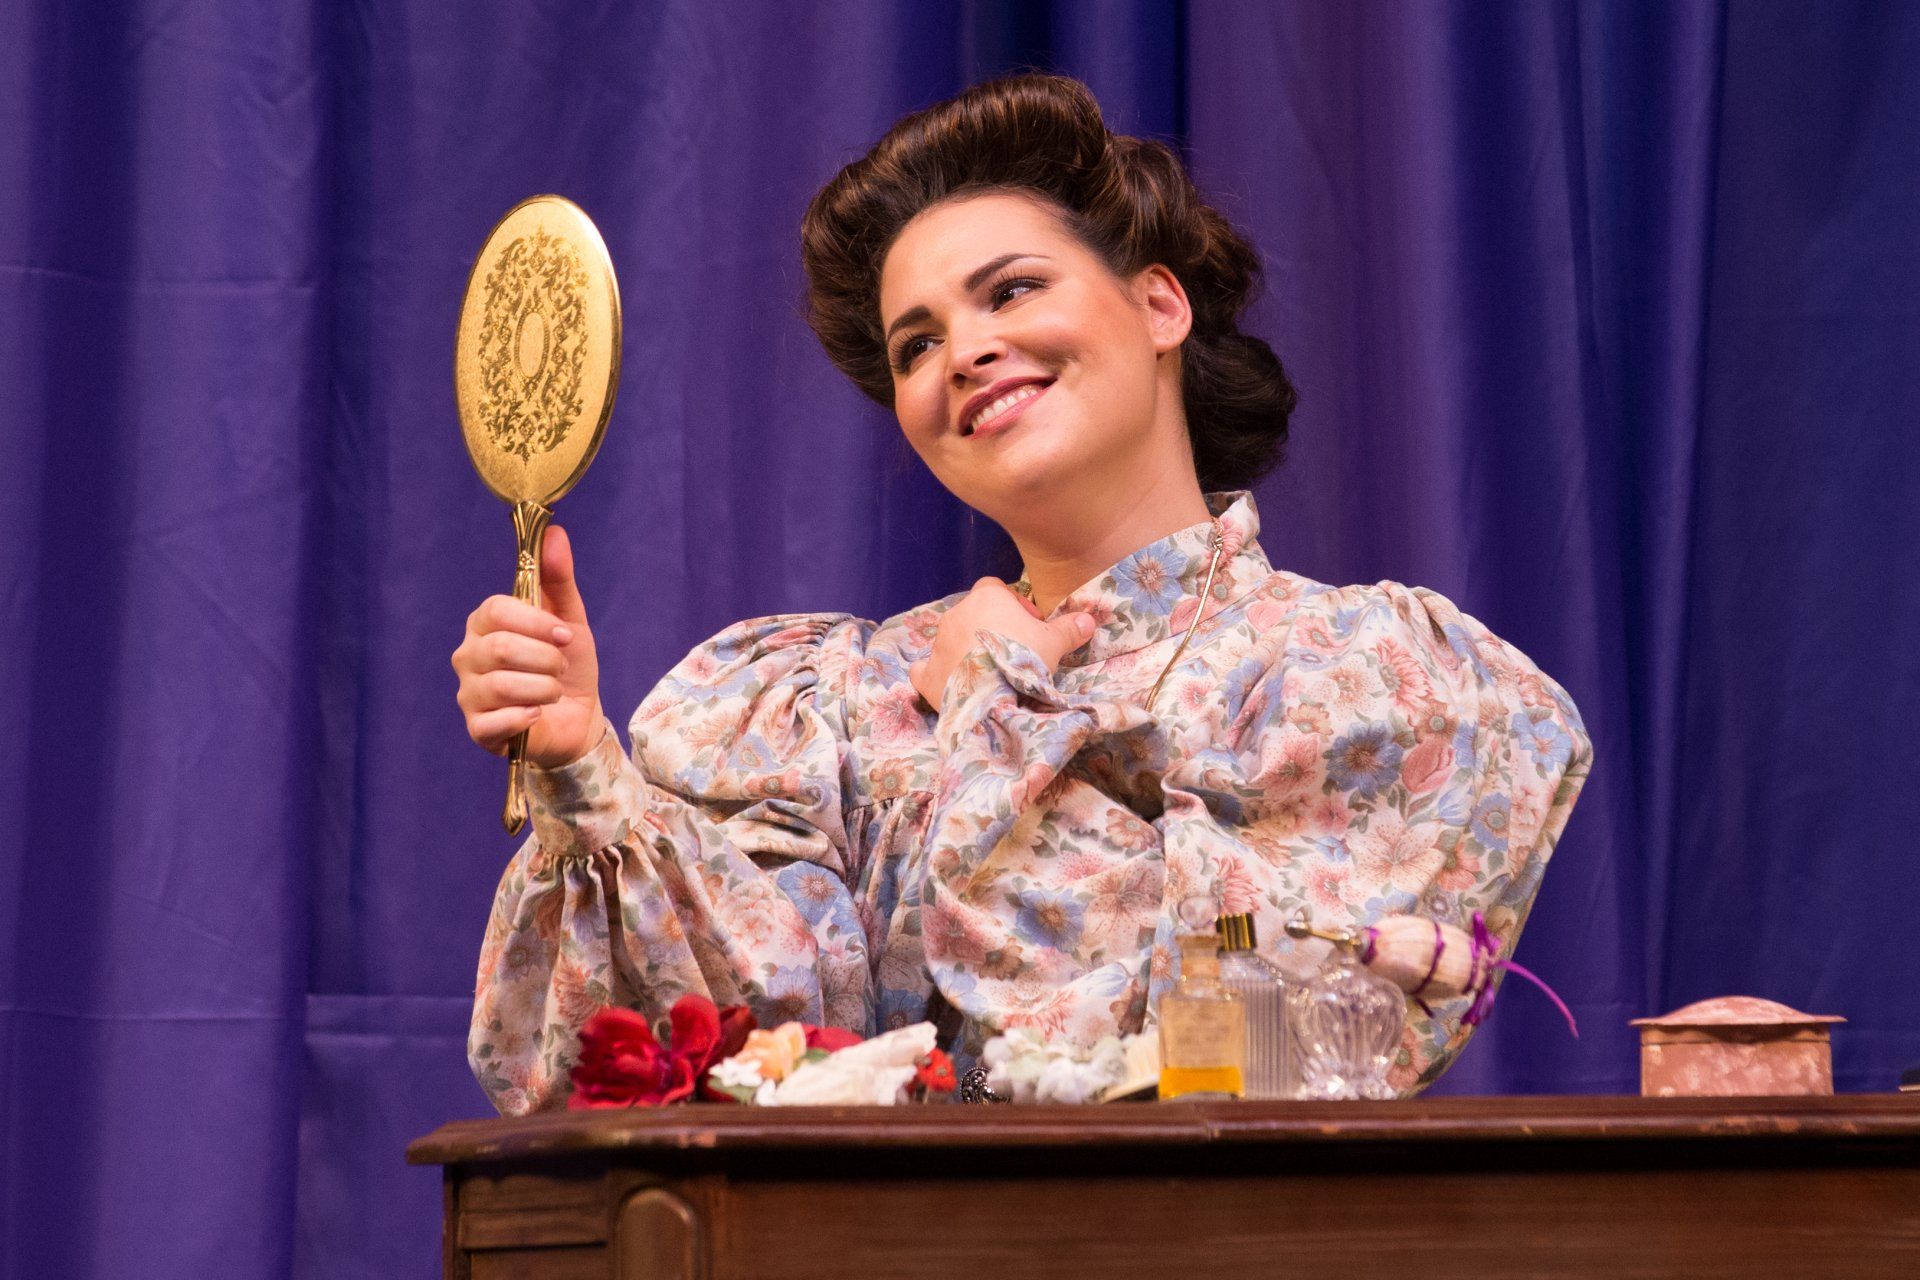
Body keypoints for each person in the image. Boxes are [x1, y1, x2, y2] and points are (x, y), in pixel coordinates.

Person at [453, 75, 1591, 1116]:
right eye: (916, 345)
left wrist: (996, 706)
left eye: (1013, 290)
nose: (963, 353)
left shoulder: (1374, 679)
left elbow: (1220, 1059)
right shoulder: (832, 702)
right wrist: (582, 772)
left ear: (1160, 307)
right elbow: (725, 1063)